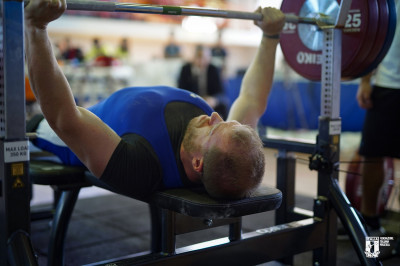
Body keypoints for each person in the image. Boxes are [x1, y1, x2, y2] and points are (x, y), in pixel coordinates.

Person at [24, 0, 285, 201]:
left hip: (62, 132)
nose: (216, 117)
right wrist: (271, 37)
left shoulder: (140, 167)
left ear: (197, 163)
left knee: (28, 130)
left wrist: (36, 28)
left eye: (214, 127)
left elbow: (64, 117)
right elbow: (252, 98)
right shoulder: (220, 146)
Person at [355, 0, 400, 235]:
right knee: (372, 156)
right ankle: (371, 226)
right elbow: (375, 33)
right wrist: (365, 80)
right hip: (385, 86)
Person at [178, 44, 228, 119]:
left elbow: (221, 93)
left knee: (224, 105)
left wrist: (214, 100)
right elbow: (181, 91)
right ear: (194, 57)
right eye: (199, 57)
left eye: (205, 58)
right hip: (192, 102)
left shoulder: (213, 69)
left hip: (210, 103)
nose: (202, 61)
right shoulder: (185, 69)